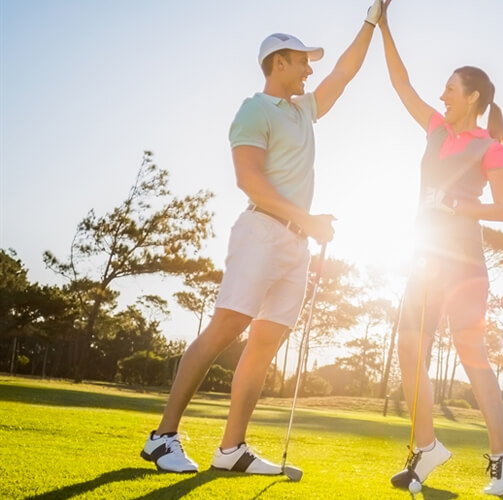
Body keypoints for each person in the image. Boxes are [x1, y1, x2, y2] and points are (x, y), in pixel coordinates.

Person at [140, 1, 384, 475]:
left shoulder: (304, 110)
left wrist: (372, 18)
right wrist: (307, 220)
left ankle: (231, 449)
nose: (310, 70)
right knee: (227, 326)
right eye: (302, 62)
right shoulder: (254, 109)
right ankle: (162, 436)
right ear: (278, 63)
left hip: (296, 245)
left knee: (265, 342)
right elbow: (249, 181)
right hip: (260, 232)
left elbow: (345, 72)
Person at [378, 2, 503, 496]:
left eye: (449, 88)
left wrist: (457, 206)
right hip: (426, 258)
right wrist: (383, 26)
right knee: (407, 345)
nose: (441, 94)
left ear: (473, 96)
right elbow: (401, 85)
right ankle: (427, 446)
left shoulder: (490, 147)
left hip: (464, 262)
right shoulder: (437, 129)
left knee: (469, 349)